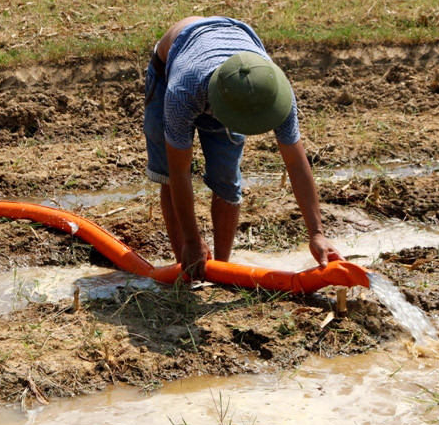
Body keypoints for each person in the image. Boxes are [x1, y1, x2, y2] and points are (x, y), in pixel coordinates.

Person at [144, 16, 341, 280]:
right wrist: (191, 240)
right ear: (223, 109)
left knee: (226, 177)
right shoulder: (182, 92)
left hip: (226, 60)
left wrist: (317, 234)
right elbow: (179, 173)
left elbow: (295, 162)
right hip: (171, 66)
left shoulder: (275, 93)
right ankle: (187, 270)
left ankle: (221, 271)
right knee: (168, 174)